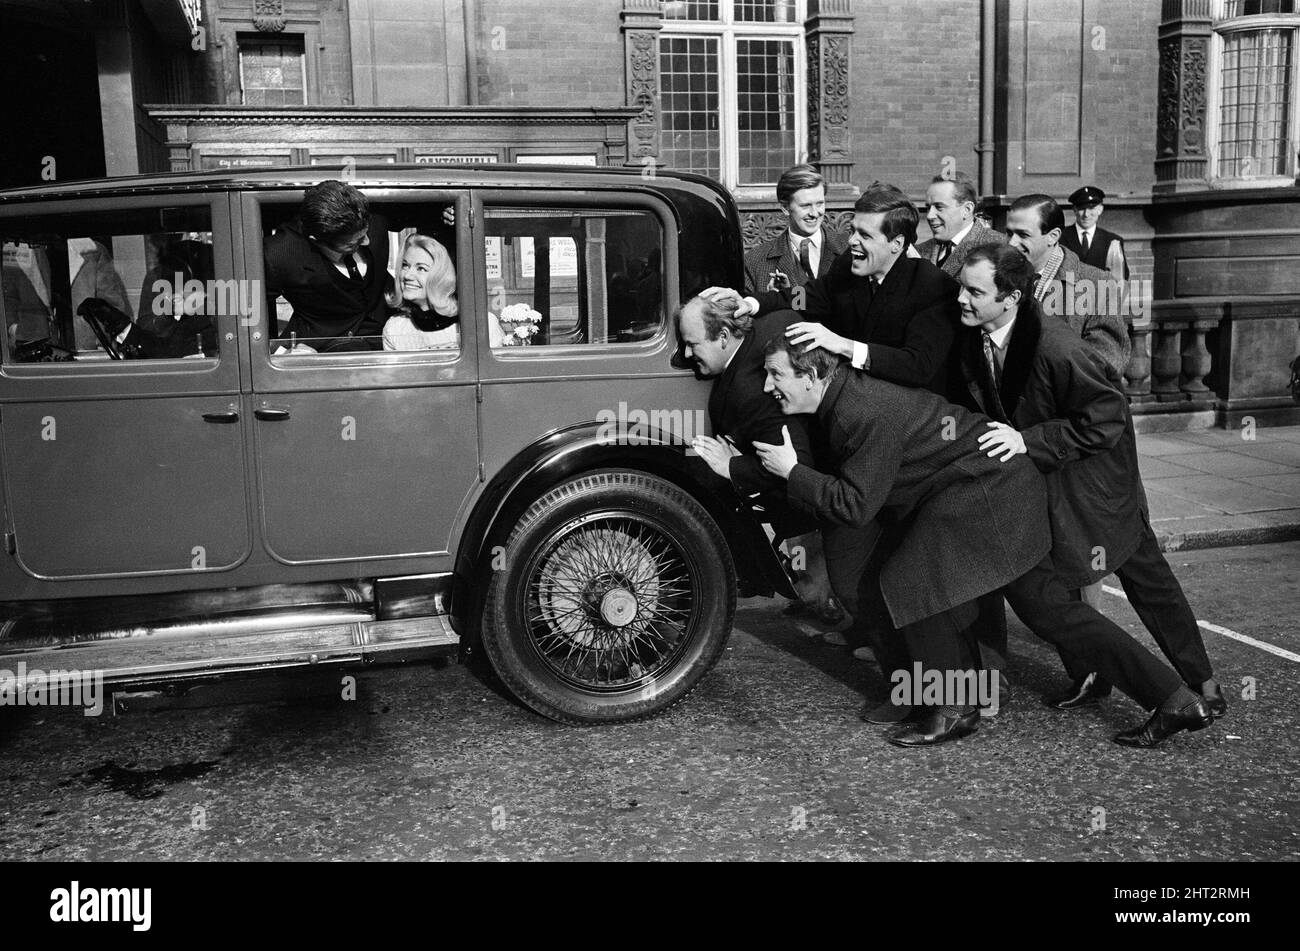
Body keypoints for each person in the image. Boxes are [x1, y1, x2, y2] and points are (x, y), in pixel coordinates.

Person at [755, 335, 1215, 749]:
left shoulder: (861, 410)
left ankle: (955, 708)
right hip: (990, 488)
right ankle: (1174, 699)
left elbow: (854, 506)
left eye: (776, 375)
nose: (768, 387)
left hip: (989, 491)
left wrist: (792, 472)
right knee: (1050, 611)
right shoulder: (846, 402)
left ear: (813, 375)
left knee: (910, 583)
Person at [953, 243, 1226, 718]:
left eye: (974, 292)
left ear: (1011, 297)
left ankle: (1204, 684)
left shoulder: (1057, 348)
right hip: (1054, 480)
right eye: (963, 287)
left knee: (1147, 579)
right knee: (1057, 585)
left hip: (1100, 487)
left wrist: (1026, 440)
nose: (962, 299)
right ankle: (1091, 676)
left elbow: (1105, 420)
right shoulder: (981, 337)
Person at [679, 295, 841, 620]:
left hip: (826, 503)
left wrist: (731, 466)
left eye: (692, 344)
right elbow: (787, 310)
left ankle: (829, 601)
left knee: (841, 590)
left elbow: (796, 463)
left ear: (724, 337)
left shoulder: (750, 390)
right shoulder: (772, 323)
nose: (685, 354)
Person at [1005, 193, 1130, 377]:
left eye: (1023, 235)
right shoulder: (1002, 274)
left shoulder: (1098, 283)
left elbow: (1109, 359)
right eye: (1009, 233)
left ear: (1053, 236)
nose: (1012, 243)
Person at [263, 179, 390, 352]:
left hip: (387, 343)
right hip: (319, 354)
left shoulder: (374, 218)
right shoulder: (278, 253)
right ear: (317, 241)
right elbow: (228, 308)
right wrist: (282, 352)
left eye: (365, 233)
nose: (367, 241)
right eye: (353, 243)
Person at [743, 164, 848, 303]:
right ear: (785, 208)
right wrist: (771, 302)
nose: (814, 213)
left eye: (820, 203)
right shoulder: (754, 262)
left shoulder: (849, 249)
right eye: (805, 206)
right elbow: (745, 320)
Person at [915, 173, 1005, 277]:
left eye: (939, 207)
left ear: (967, 209)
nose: (930, 216)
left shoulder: (999, 247)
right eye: (928, 208)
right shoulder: (920, 251)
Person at [382, 233, 459, 351]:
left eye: (421, 268)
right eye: (405, 266)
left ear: (443, 276)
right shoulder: (395, 328)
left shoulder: (479, 322)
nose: (407, 275)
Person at [1060, 185, 1130, 282]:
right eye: (1081, 209)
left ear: (1100, 210)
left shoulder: (1112, 241)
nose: (1086, 214)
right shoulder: (1060, 237)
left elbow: (1120, 278)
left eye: (1091, 208)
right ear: (1075, 210)